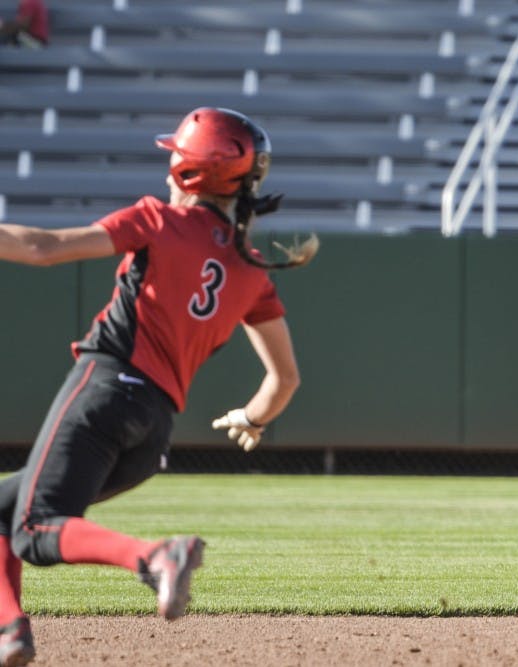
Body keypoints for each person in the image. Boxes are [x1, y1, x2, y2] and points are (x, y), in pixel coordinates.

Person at [0, 106, 318, 665]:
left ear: (190, 171)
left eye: (176, 155)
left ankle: (154, 556)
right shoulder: (250, 269)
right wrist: (253, 418)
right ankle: (10, 632)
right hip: (151, 434)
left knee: (32, 529)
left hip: (103, 389)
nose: (168, 165)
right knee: (9, 510)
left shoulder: (158, 220)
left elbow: (42, 248)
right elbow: (285, 378)